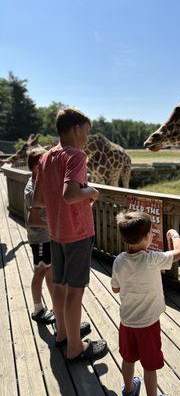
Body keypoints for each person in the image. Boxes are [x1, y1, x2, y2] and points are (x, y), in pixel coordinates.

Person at [31, 107, 107, 362]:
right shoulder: (76, 156)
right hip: (78, 233)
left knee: (61, 286)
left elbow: (40, 199)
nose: (87, 137)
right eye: (86, 132)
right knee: (76, 291)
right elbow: (71, 194)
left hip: (56, 233)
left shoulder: (45, 157)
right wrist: (92, 192)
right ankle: (75, 347)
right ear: (75, 129)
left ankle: (62, 333)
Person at [111, 211, 180, 396]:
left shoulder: (119, 261)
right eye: (151, 232)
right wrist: (173, 234)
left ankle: (129, 390)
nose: (153, 234)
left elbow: (115, 289)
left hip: (127, 322)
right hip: (148, 324)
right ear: (146, 237)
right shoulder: (152, 259)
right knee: (149, 365)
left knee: (128, 359)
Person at [24, 147, 55, 325]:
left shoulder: (38, 184)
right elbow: (32, 220)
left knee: (48, 272)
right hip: (41, 239)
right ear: (37, 167)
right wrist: (54, 225)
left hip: (46, 237)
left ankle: (53, 307)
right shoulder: (31, 189)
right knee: (41, 272)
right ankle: (38, 309)